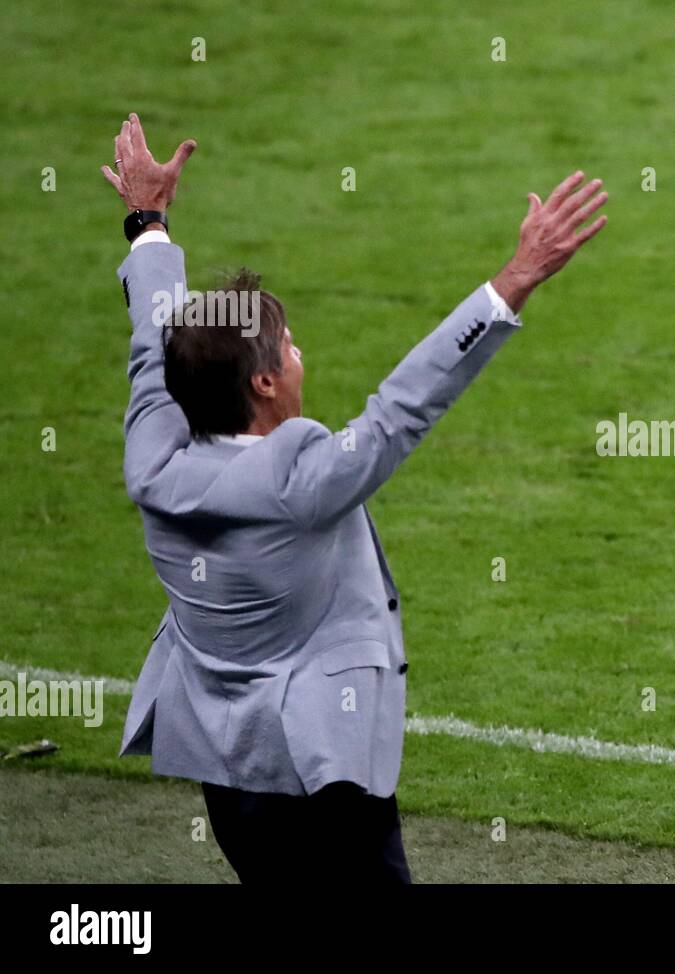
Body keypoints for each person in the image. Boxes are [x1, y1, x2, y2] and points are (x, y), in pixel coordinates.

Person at [101, 113, 608, 883]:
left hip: (226, 768)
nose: (302, 355)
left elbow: (153, 342)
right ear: (266, 382)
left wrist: (148, 226)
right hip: (320, 773)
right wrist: (514, 280)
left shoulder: (154, 455)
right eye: (291, 347)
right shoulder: (297, 479)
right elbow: (402, 409)